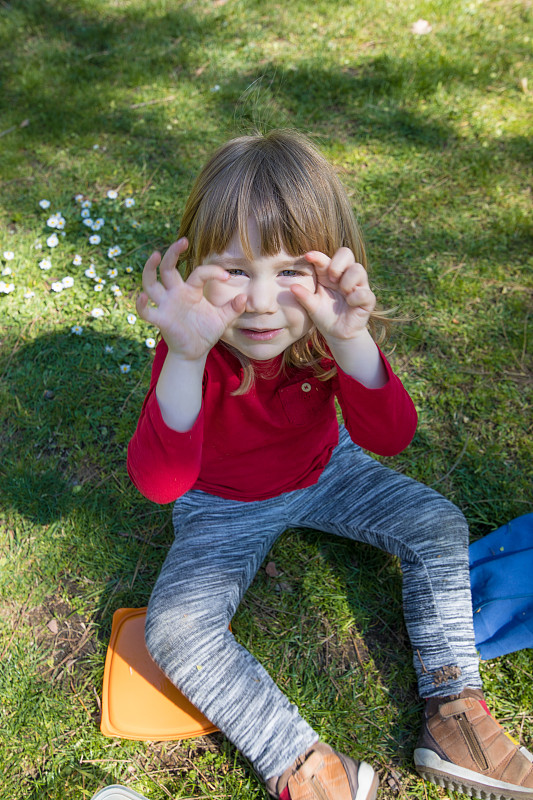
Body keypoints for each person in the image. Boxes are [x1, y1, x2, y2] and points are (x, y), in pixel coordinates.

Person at [127, 129, 533, 800]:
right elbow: (161, 482)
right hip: (220, 503)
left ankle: (454, 708)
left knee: (435, 522)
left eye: (289, 271)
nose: (261, 302)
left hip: (327, 471)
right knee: (173, 627)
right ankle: (302, 763)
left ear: (330, 270)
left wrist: (351, 342)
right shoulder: (191, 347)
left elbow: (389, 436)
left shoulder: (324, 331)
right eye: (233, 269)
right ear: (194, 266)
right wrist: (187, 356)